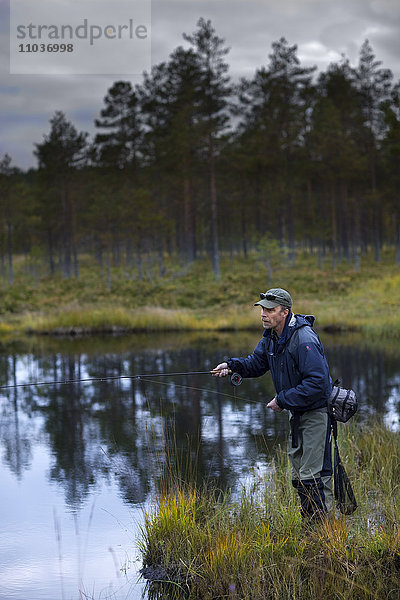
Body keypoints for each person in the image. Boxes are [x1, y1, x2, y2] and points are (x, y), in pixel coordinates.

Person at [213, 287, 333, 522]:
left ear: (285, 312)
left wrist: (282, 400)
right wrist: (231, 366)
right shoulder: (271, 337)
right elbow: (256, 364)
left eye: (270, 310)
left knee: (311, 477)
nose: (263, 314)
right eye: (262, 309)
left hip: (316, 414)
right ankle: (313, 530)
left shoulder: (304, 339)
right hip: (297, 414)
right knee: (299, 477)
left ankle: (322, 533)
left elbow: (319, 384)